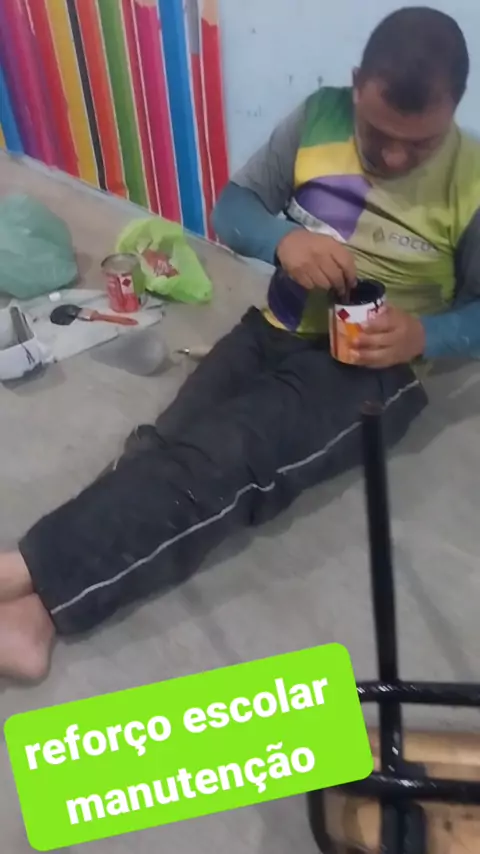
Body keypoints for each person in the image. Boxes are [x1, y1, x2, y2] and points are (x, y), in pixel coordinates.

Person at [2, 6, 480, 682]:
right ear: (355, 85)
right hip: (278, 322)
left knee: (226, 459)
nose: (395, 157)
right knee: (164, 445)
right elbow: (233, 210)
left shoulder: (474, 181)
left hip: (372, 367)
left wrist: (425, 332)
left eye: (420, 144)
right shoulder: (317, 118)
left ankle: (25, 572)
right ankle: (34, 620)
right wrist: (284, 240)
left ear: (455, 109)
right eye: (378, 134)